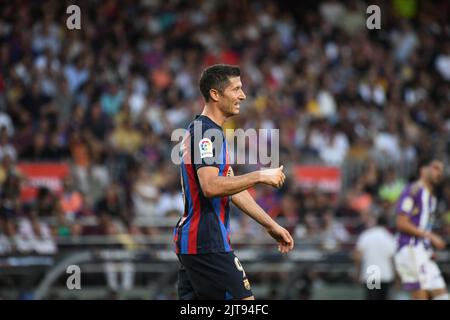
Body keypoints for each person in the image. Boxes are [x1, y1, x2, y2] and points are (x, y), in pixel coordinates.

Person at [173, 64, 294, 300]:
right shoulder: (206, 132)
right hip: (207, 243)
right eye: (236, 89)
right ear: (215, 94)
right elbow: (210, 187)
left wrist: (270, 225)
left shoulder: (209, 131)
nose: (243, 95)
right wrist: (259, 175)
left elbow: (231, 189)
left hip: (198, 244)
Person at [394, 157, 449, 300]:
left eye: (441, 170)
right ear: (423, 170)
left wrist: (428, 243)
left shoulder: (432, 196)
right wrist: (430, 237)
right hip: (411, 248)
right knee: (420, 296)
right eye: (436, 168)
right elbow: (401, 222)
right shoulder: (414, 191)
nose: (439, 173)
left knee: (442, 295)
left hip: (423, 251)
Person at [353, 215, 397, 300]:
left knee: (371, 297)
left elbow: (358, 256)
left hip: (371, 273)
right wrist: (396, 277)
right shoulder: (389, 237)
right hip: (385, 274)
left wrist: (358, 272)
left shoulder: (366, 235)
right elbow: (393, 258)